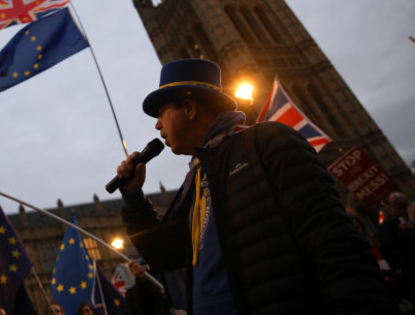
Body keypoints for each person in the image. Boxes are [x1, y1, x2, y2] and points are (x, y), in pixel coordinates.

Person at [115, 58, 392, 315]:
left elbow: (335, 248)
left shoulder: (268, 142)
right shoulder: (197, 181)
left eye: (162, 112)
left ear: (189, 108)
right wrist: (133, 198)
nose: (157, 125)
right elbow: (164, 254)